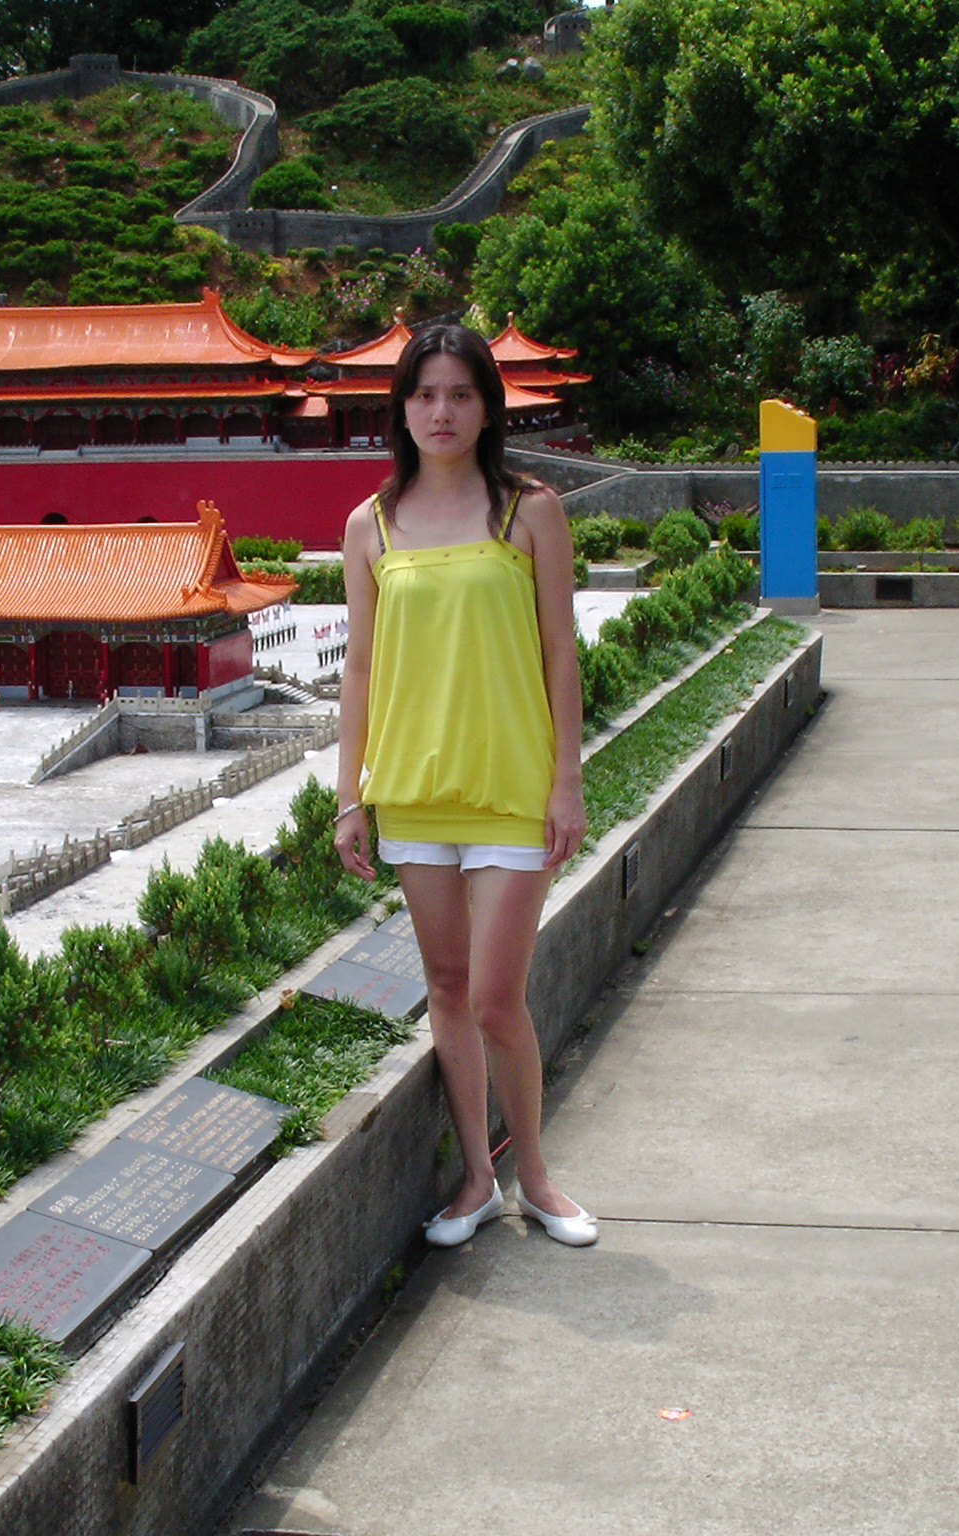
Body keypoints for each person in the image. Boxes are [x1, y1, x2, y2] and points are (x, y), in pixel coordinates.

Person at [333, 322, 596, 1248]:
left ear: (488, 408)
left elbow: (560, 651)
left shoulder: (529, 511)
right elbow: (359, 667)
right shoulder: (369, 525)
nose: (440, 411)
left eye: (460, 394)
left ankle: (537, 1178)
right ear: (402, 409)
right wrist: (350, 794)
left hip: (513, 787)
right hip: (413, 788)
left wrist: (568, 781)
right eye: (424, 394)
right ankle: (478, 1181)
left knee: (494, 998)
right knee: (446, 989)